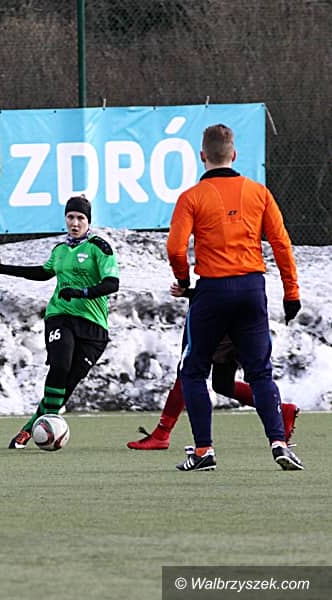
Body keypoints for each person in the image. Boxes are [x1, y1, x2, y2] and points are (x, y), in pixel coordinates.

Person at [167, 123, 302, 472]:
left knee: (193, 371)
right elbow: (281, 244)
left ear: (202, 156)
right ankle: (279, 442)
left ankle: (203, 450)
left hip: (212, 292)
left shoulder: (192, 197)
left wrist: (183, 281)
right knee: (260, 373)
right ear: (234, 154)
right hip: (252, 290)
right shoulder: (258, 193)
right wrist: (291, 292)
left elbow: (176, 248)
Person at [0, 196, 120, 448]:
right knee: (60, 366)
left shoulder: (100, 248)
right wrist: (6, 268)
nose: (75, 223)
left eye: (80, 218)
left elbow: (112, 284)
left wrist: (81, 293)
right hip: (60, 316)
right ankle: (47, 429)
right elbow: (43, 272)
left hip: (93, 326)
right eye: (70, 217)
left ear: (89, 221)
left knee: (67, 385)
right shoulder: (60, 250)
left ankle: (30, 428)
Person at [127, 283, 299, 450]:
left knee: (189, 371)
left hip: (213, 308)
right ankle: (281, 412)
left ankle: (163, 434)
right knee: (224, 383)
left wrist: (186, 285)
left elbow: (217, 275)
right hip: (247, 304)